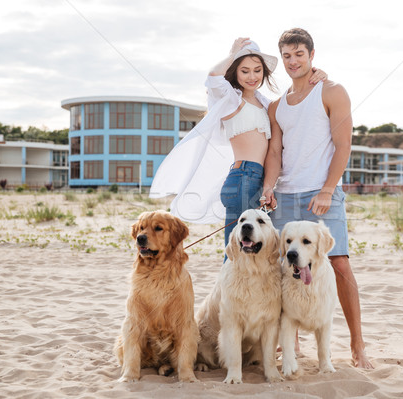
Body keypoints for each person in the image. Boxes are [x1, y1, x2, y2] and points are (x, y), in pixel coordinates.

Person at [260, 28, 374, 369]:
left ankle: (358, 346)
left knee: (339, 263)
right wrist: (269, 187)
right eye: (287, 56)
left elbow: (344, 145)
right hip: (285, 195)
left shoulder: (332, 91)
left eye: (299, 54)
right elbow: (276, 153)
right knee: (284, 268)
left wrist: (327, 189)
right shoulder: (277, 106)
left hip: (321, 192)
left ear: (311, 55)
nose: (293, 61)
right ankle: (290, 346)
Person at [149, 38, 326, 248]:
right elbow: (214, 76)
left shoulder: (264, 102)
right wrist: (233, 53)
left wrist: (317, 75)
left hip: (258, 180)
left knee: (254, 250)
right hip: (243, 178)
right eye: (245, 71)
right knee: (237, 251)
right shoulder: (232, 99)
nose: (252, 76)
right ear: (236, 71)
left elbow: (294, 105)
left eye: (257, 70)